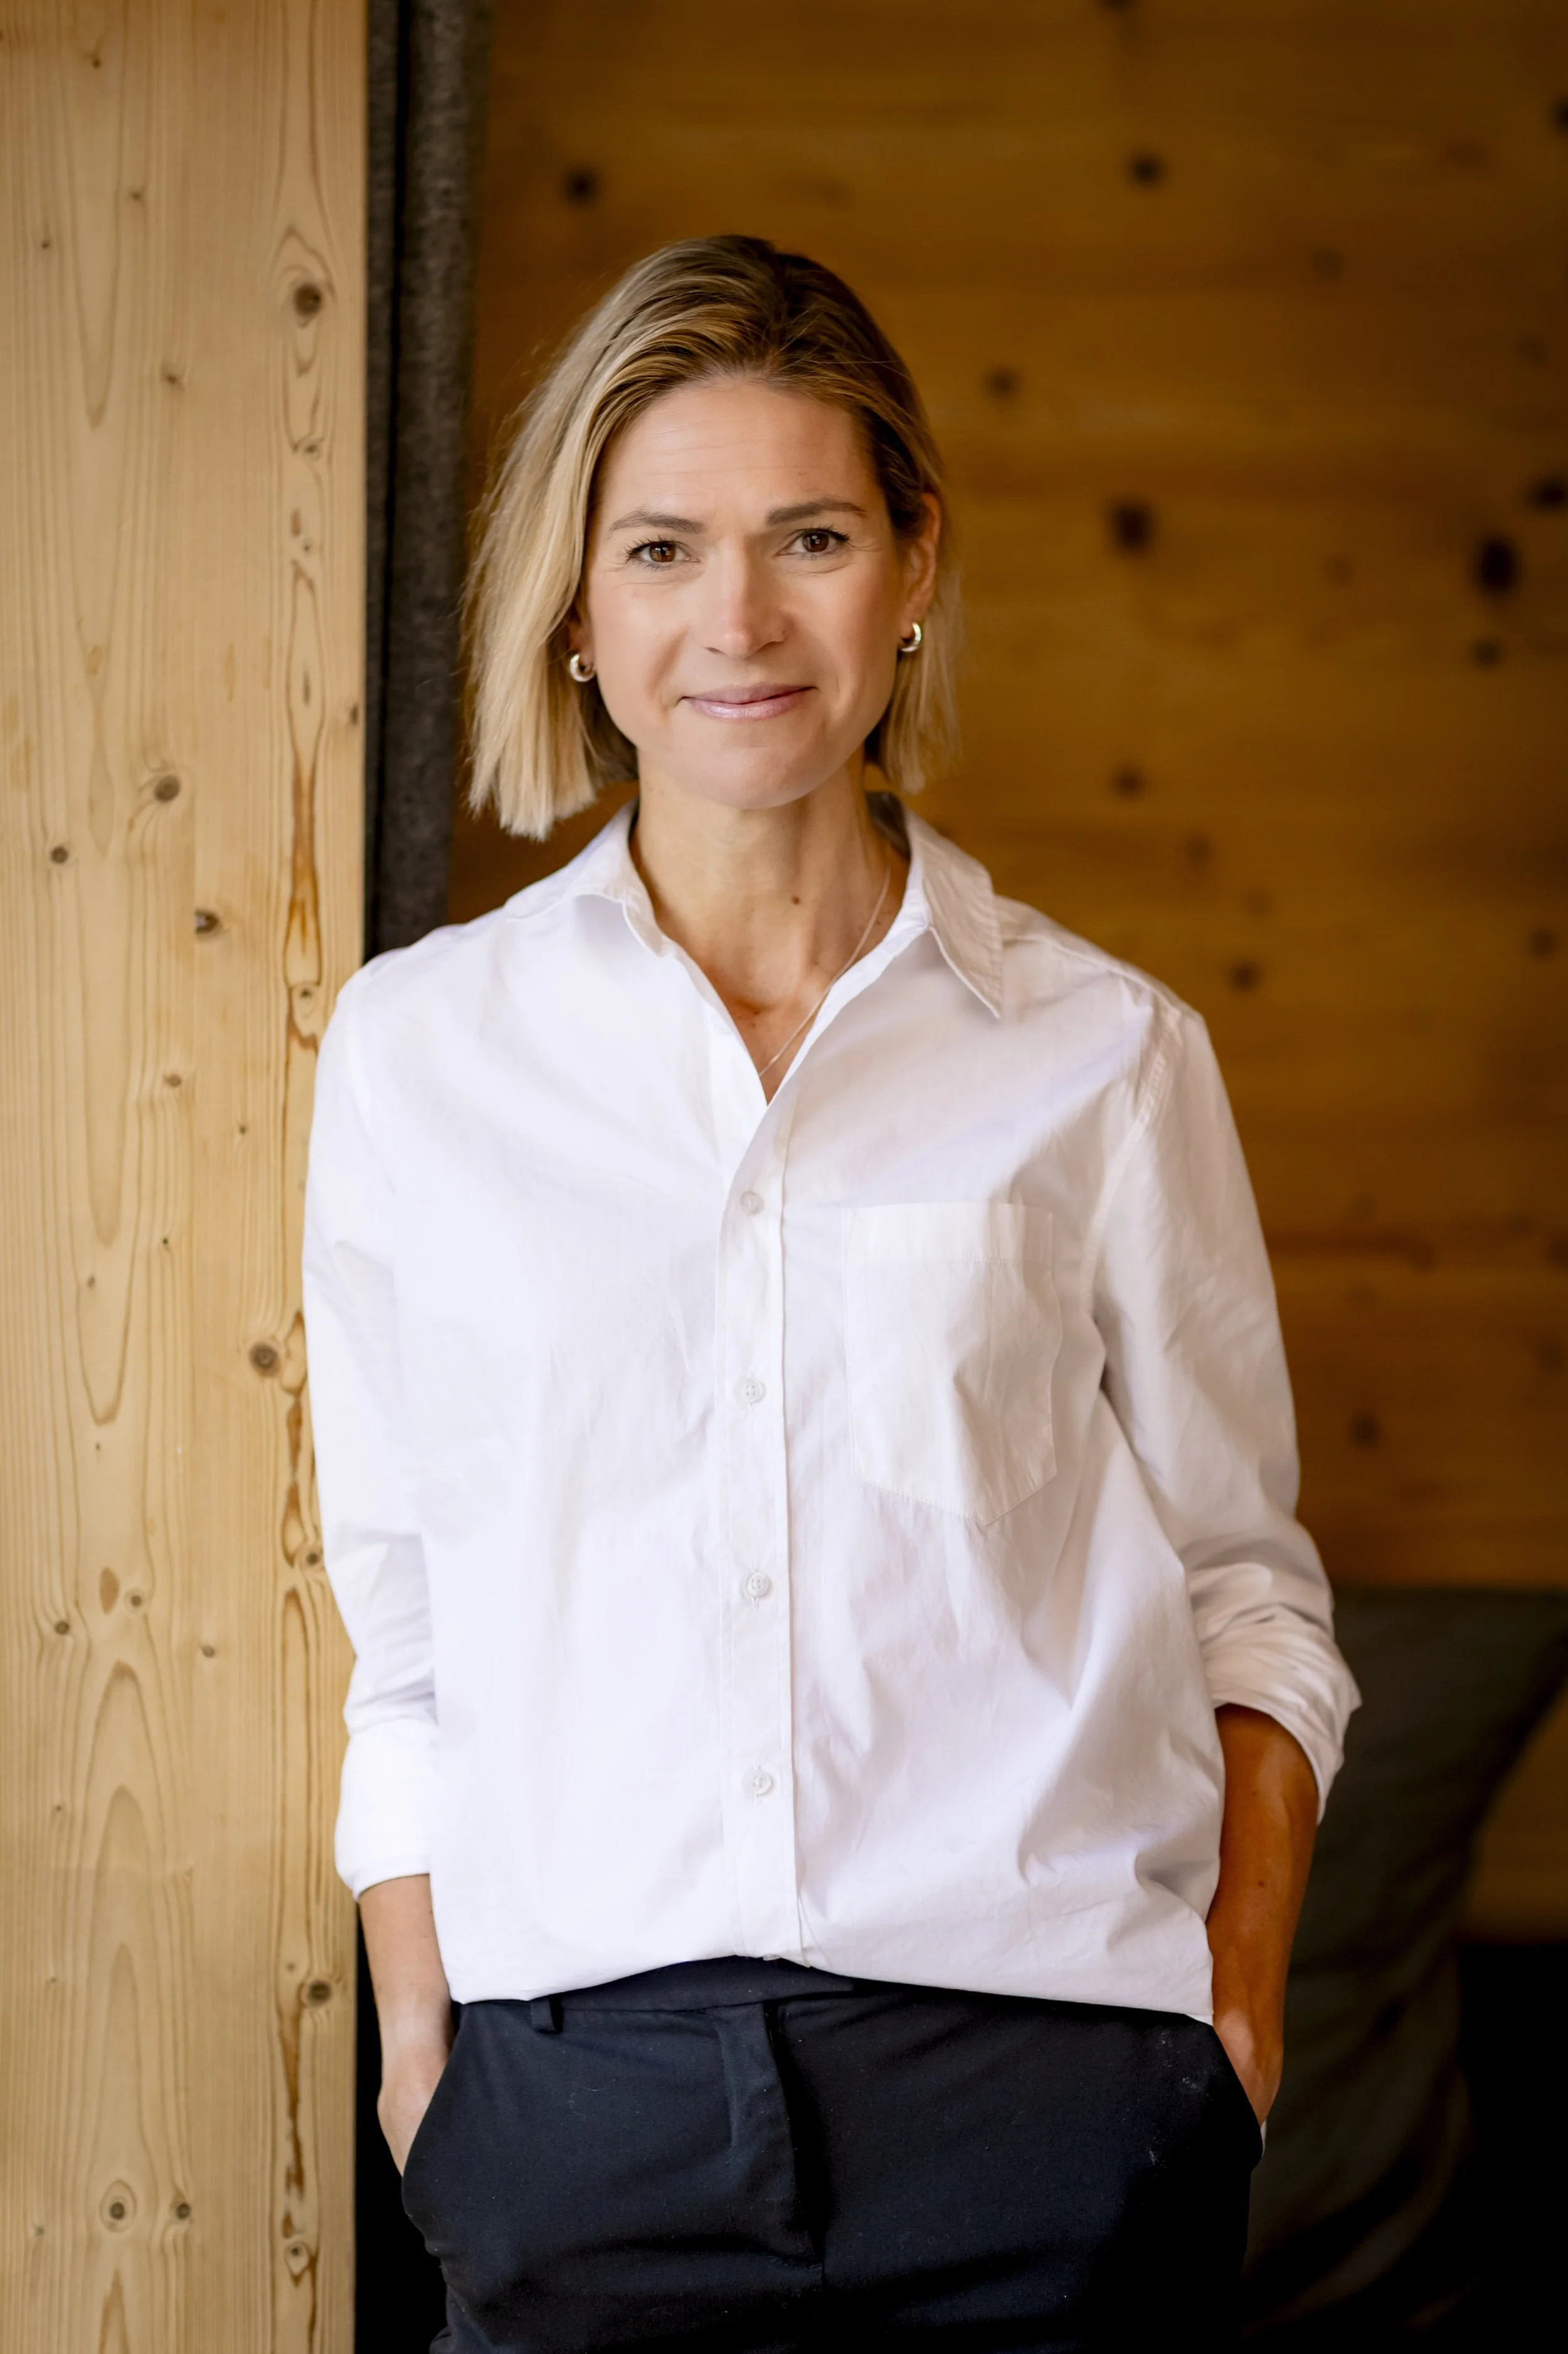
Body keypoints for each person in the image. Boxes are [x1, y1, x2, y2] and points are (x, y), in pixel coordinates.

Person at [302, 235, 1359, 2352]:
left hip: (1046, 2109)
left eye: (809, 535)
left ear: (911, 570)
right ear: (577, 616)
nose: (739, 620)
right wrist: (431, 2067)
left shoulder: (1106, 1057)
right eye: (664, 548)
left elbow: (1251, 1591)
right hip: (575, 2118)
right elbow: (406, 1626)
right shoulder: (423, 1052)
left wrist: (1223, 2013)